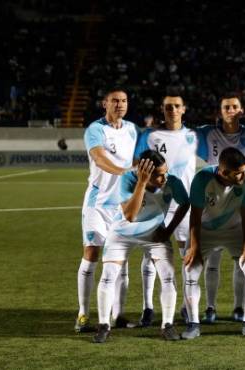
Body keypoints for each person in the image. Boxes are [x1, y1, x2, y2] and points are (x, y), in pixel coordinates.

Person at [93, 150, 189, 343]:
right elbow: (130, 215)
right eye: (158, 175)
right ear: (144, 172)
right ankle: (104, 325)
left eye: (165, 172)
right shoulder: (128, 179)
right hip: (123, 233)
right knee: (109, 275)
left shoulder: (173, 182)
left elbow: (185, 203)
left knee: (168, 275)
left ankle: (167, 325)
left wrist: (168, 230)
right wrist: (142, 183)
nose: (164, 178)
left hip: (155, 234)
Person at [76, 88, 138, 332]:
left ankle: (119, 315)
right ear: (105, 104)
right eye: (115, 101)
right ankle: (83, 314)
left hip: (122, 205)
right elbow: (100, 159)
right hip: (98, 204)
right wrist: (124, 172)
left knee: (120, 261)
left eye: (123, 101)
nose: (120, 104)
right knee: (91, 254)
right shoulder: (95, 129)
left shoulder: (133, 130)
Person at [182, 147, 245, 339]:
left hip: (235, 229)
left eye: (244, 170)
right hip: (205, 230)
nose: (244, 176)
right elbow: (195, 215)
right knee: (190, 271)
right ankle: (193, 325)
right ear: (223, 172)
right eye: (238, 173)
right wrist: (195, 247)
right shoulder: (202, 179)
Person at [133, 93, 198, 327]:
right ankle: (147, 307)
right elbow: (136, 163)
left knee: (187, 255)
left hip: (183, 203)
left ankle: (185, 306)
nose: (172, 110)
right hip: (155, 204)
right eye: (168, 107)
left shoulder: (194, 135)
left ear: (184, 109)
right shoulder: (150, 136)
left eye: (176, 106)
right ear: (162, 109)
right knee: (150, 256)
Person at [195, 93, 245, 322]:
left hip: (238, 197)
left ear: (241, 110)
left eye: (234, 106)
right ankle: (210, 308)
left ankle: (238, 307)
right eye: (226, 107)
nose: (230, 110)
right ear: (220, 111)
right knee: (212, 260)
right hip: (212, 198)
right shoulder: (206, 132)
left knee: (240, 258)